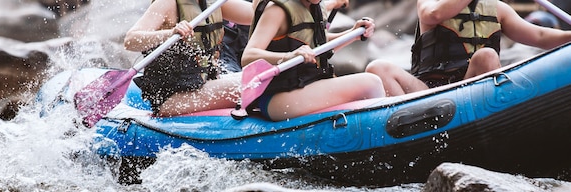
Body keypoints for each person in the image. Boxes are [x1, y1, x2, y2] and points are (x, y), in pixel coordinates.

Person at [365, 0, 571, 96]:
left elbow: (541, 36)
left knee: (487, 56)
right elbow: (433, 15)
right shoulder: (430, 2)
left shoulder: (498, 8)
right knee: (378, 68)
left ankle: (490, 116)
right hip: (427, 91)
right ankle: (408, 130)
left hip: (469, 89)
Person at [240, 0, 385, 121]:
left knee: (373, 83)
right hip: (277, 98)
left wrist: (353, 34)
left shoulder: (316, 7)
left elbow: (319, 45)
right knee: (371, 83)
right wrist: (288, 56)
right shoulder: (277, 10)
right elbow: (248, 56)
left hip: (308, 85)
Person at [124, 0, 253, 116]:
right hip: (173, 98)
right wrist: (169, 34)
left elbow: (258, 12)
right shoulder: (167, 3)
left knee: (258, 77)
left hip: (204, 85)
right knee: (252, 84)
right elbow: (130, 41)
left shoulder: (216, 3)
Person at [220, 0, 350, 73]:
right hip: (227, 60)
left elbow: (298, 13)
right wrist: (332, 3)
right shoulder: (277, 11)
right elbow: (258, 14)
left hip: (241, 54)